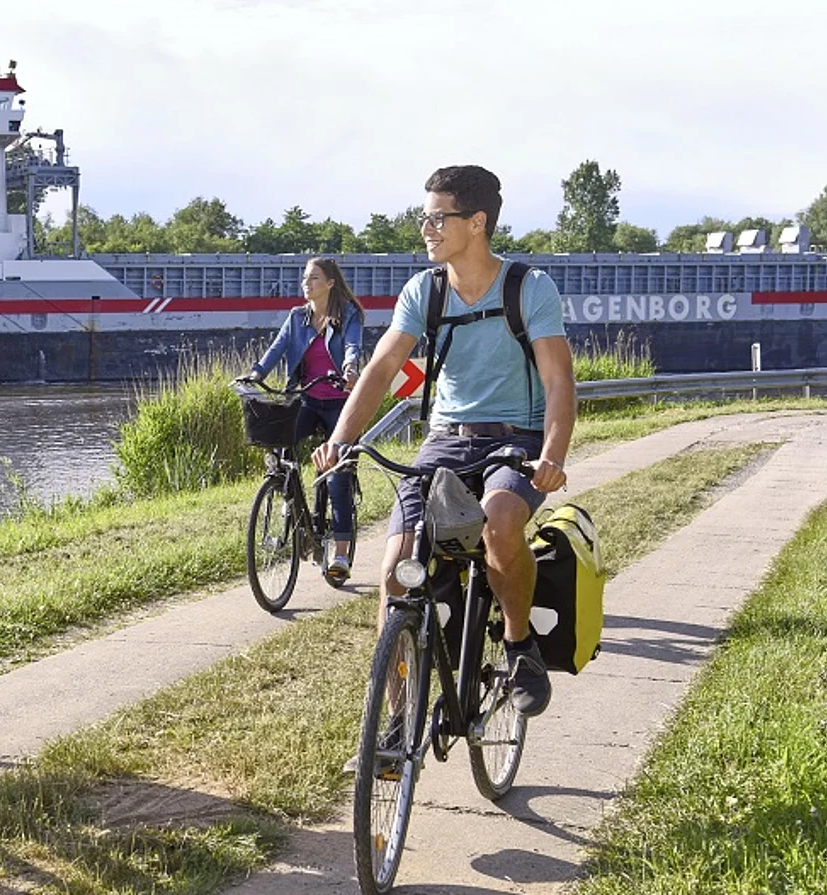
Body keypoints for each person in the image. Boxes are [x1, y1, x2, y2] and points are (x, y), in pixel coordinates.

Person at [314, 165, 575, 721]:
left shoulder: (527, 288)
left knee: (500, 520)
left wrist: (552, 455)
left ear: (476, 223)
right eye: (424, 217)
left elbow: (558, 380)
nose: (426, 230)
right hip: (445, 440)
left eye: (438, 218)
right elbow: (382, 368)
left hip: (517, 439)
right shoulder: (424, 291)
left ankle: (517, 642)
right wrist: (341, 438)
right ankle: (395, 722)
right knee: (394, 569)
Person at [239, 257, 365, 584]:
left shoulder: (348, 314)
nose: (306, 284)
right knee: (281, 442)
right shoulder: (297, 317)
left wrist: (350, 370)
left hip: (340, 404)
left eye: (313, 278)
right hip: (307, 399)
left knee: (336, 477)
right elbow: (276, 350)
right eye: (305, 279)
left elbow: (352, 346)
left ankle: (339, 554)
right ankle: (286, 495)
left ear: (330, 283)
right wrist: (255, 374)